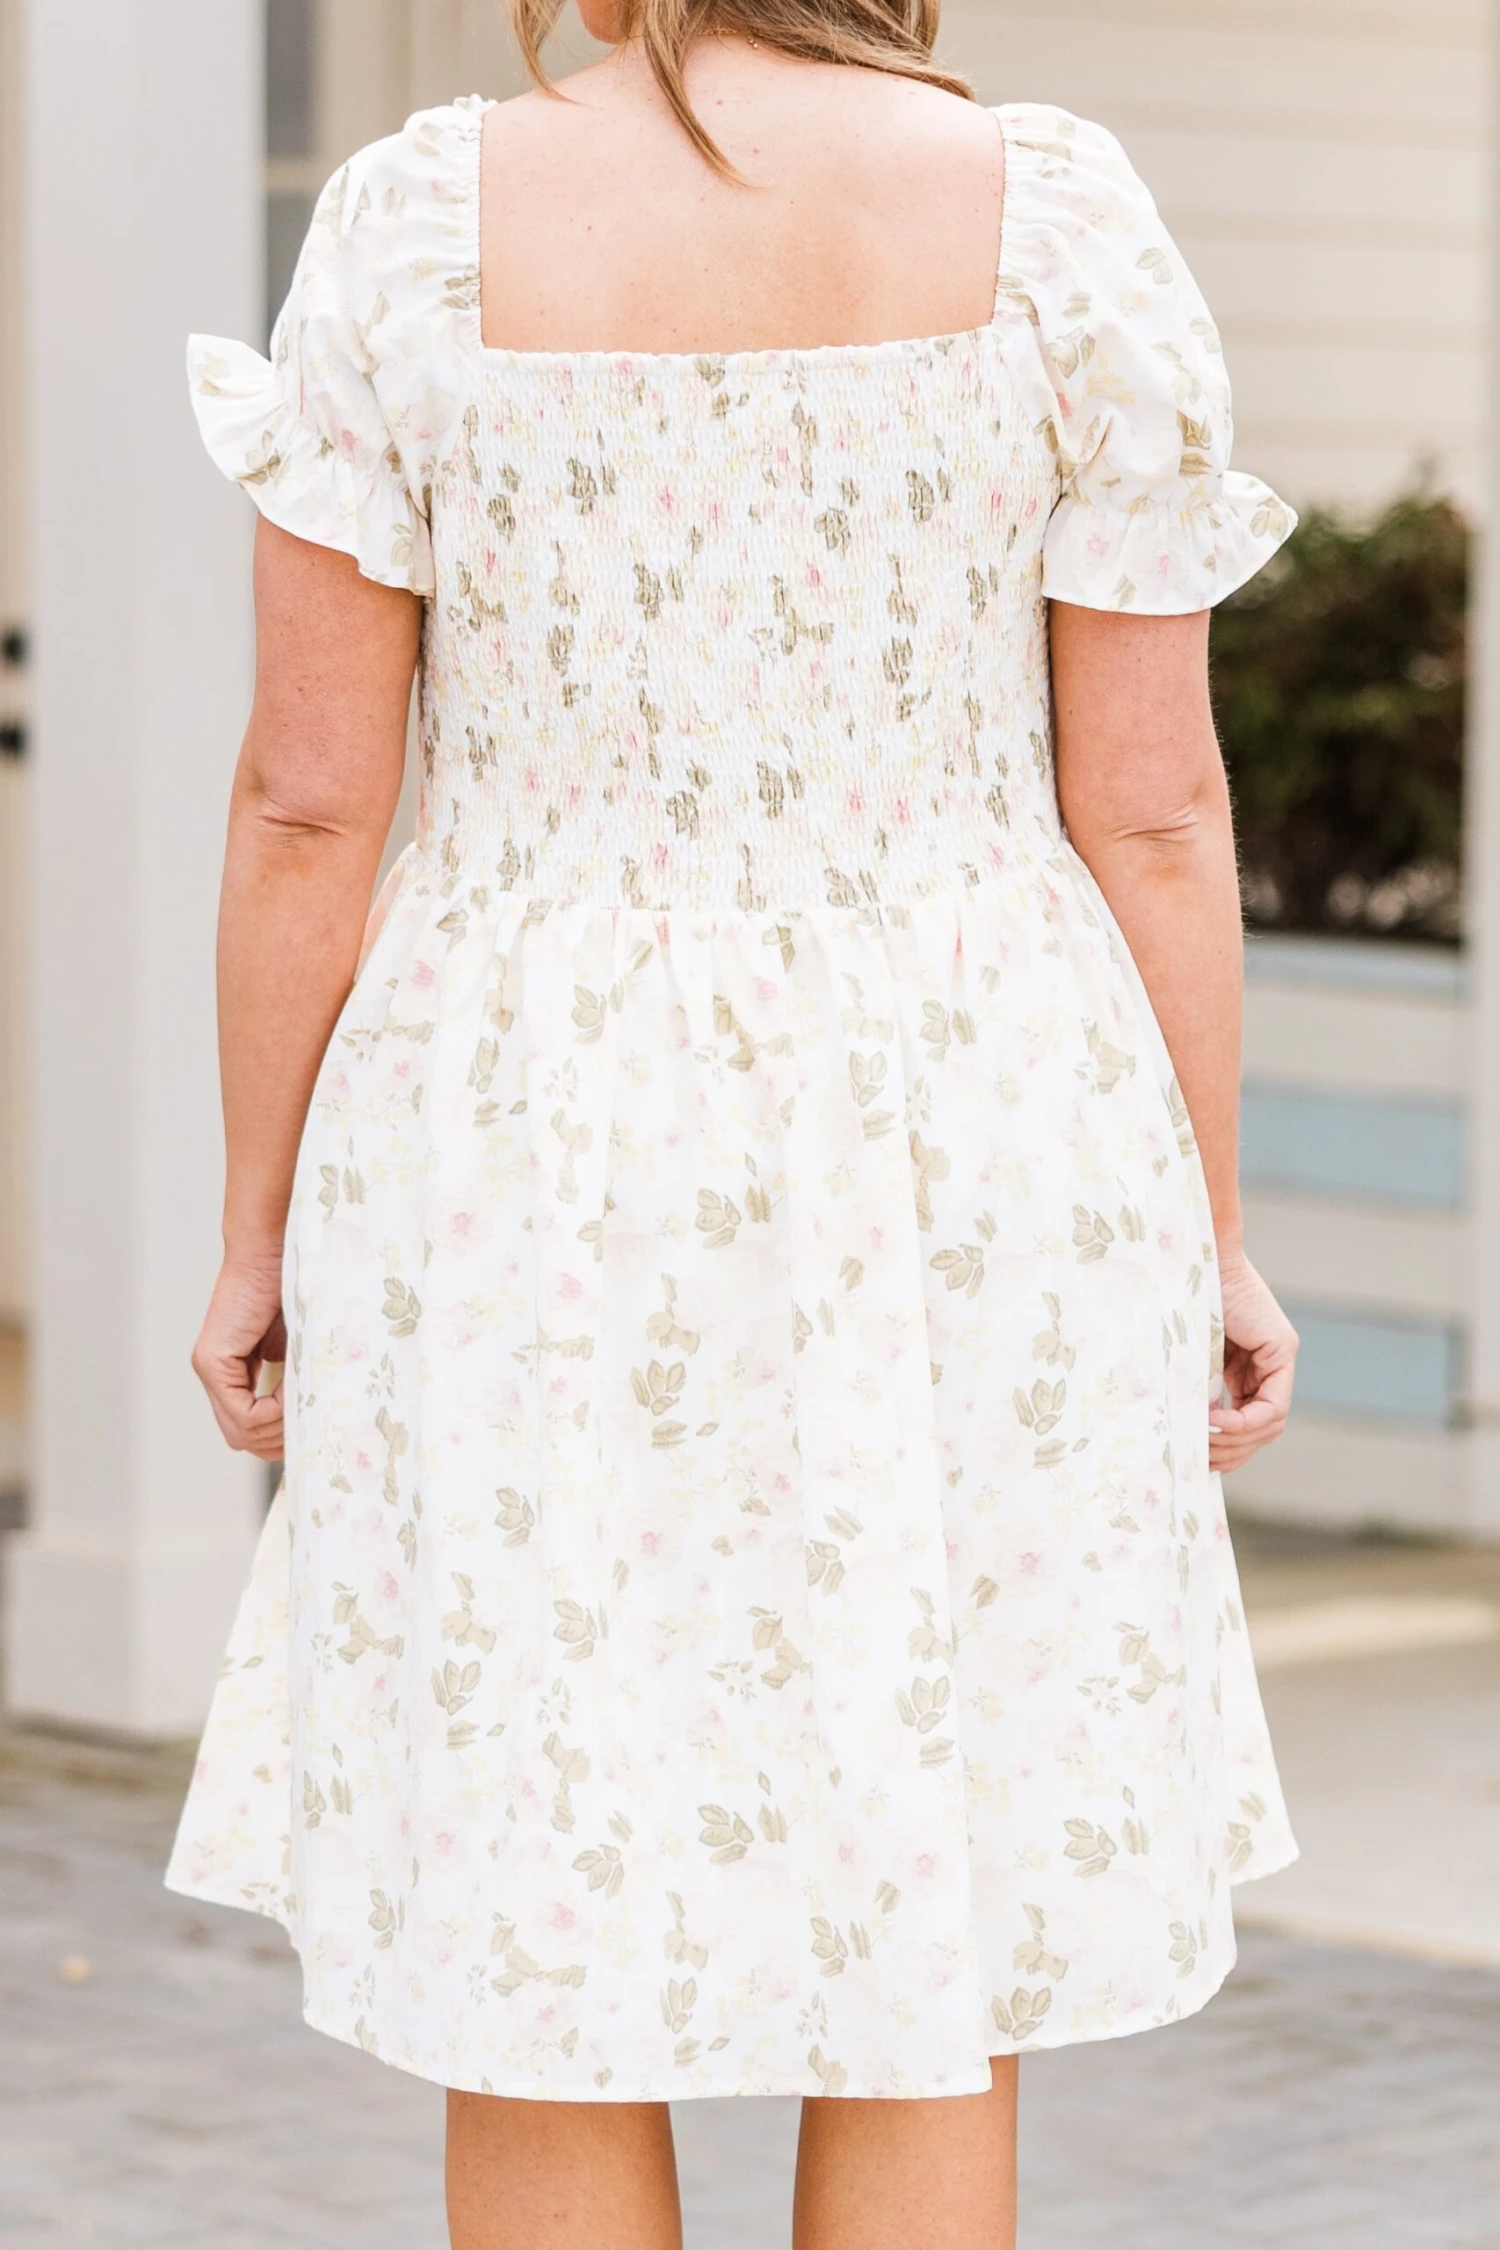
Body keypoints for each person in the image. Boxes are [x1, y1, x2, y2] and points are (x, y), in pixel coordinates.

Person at [168, 3, 1301, 2243]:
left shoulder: (414, 226)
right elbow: (1156, 806)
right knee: (927, 1889)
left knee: (541, 1907)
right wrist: (1217, 1226)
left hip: (518, 1128)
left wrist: (255, 1223)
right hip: (973, 1109)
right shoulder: (1052, 214)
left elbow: (309, 798)